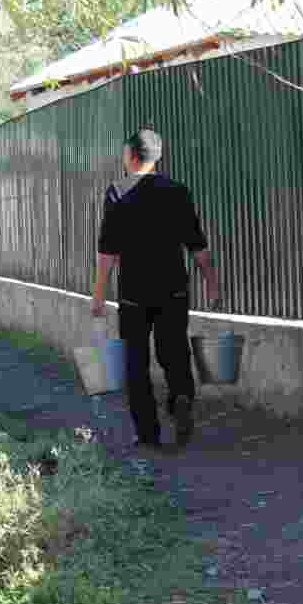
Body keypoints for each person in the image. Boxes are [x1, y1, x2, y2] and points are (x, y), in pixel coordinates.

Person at [91, 129, 220, 448]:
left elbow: (108, 252)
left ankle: (148, 433)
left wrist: (97, 295)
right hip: (174, 288)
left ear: (132, 157)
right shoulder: (178, 191)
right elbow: (197, 245)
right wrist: (212, 284)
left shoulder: (117, 193)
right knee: (174, 351)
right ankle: (181, 398)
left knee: (136, 363)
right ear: (157, 157)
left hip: (134, 293)